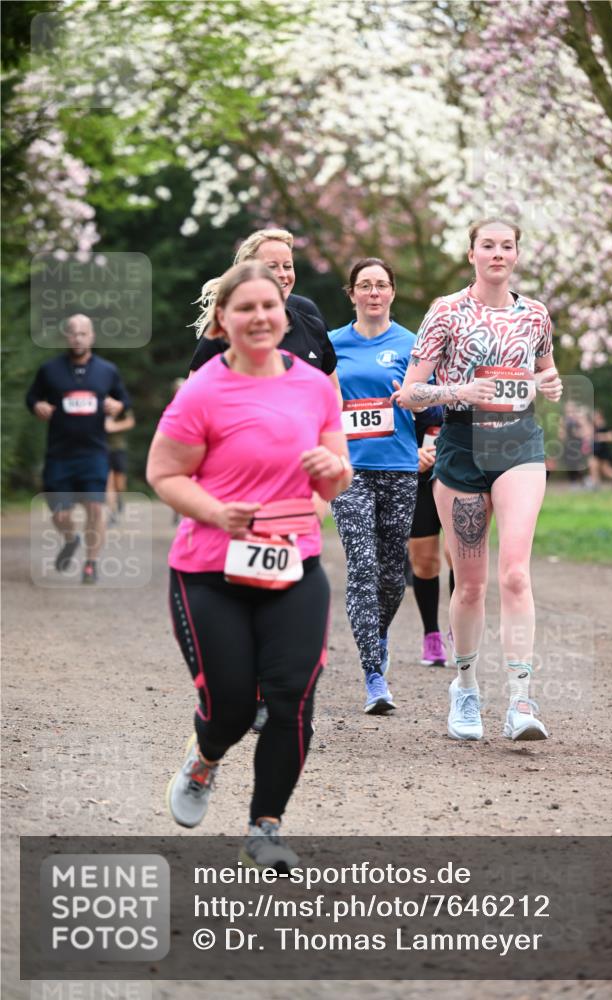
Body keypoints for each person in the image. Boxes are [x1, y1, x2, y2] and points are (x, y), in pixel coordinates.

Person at [146, 262, 351, 871]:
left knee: (291, 700)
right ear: (223, 320)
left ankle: (265, 826)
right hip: (210, 570)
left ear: (284, 314)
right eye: (246, 308)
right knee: (233, 706)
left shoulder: (313, 385)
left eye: (270, 305)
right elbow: (163, 474)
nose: (260, 317)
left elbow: (336, 473)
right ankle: (205, 758)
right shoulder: (204, 390)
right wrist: (216, 513)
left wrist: (328, 480)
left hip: (293, 564)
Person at [393, 218, 563, 741]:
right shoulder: (446, 312)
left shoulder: (535, 315)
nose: (497, 254)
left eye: (506, 246)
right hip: (462, 447)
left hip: (518, 444)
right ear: (471, 254)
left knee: (515, 573)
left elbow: (544, 374)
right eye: (487, 245)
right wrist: (457, 393)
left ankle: (520, 700)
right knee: (469, 584)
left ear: (516, 255)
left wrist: (548, 383)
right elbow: (408, 393)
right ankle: (465, 688)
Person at [330, 258, 419, 714]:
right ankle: (373, 675)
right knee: (362, 568)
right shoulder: (331, 345)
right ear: (352, 294)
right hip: (349, 470)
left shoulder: (412, 343)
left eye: (381, 285)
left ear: (392, 292)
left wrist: (432, 442)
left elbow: (432, 409)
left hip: (400, 469)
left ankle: (377, 635)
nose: (373, 293)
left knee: (390, 577)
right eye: (364, 285)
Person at [26, 313, 131, 584]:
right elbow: (32, 397)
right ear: (66, 336)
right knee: (60, 513)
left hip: (94, 453)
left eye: (83, 333)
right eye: (73, 333)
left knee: (96, 509)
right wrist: (37, 405)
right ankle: (71, 540)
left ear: (92, 336)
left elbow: (123, 399)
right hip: (59, 453)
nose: (78, 338)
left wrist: (117, 406)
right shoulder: (49, 370)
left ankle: (91, 564)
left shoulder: (107, 370)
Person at [189, 227, 341, 403]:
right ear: (250, 271)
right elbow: (192, 395)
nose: (283, 274)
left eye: (287, 266)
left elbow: (333, 389)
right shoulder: (228, 327)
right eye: (272, 267)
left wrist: (326, 428)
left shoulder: (310, 318)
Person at [409, 405, 455, 667]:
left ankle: (459, 632)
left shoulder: (467, 367)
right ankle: (431, 634)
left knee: (457, 554)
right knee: (425, 561)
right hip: (419, 474)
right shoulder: (412, 369)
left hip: (460, 473)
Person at [105, 408, 135, 523]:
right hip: (101, 448)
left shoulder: (120, 401)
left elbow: (130, 421)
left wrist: (112, 426)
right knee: (108, 482)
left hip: (118, 448)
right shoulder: (95, 399)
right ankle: (111, 513)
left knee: (119, 482)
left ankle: (119, 498)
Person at [588, 408, 612, 488]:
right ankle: (595, 484)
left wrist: (600, 437)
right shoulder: (594, 427)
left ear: (600, 416)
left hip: (603, 451)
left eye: (595, 415)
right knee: (593, 464)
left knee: (606, 470)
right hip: (596, 451)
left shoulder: (604, 425)